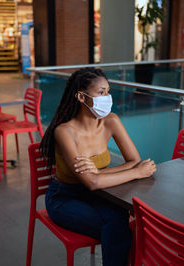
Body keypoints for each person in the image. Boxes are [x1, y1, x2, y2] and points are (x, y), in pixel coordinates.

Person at [40, 68, 157, 266]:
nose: (107, 97)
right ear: (81, 96)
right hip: (64, 198)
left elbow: (133, 160)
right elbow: (93, 182)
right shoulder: (64, 132)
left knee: (123, 220)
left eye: (108, 92)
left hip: (100, 194)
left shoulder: (111, 121)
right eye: (101, 92)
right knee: (117, 226)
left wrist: (100, 173)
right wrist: (136, 173)